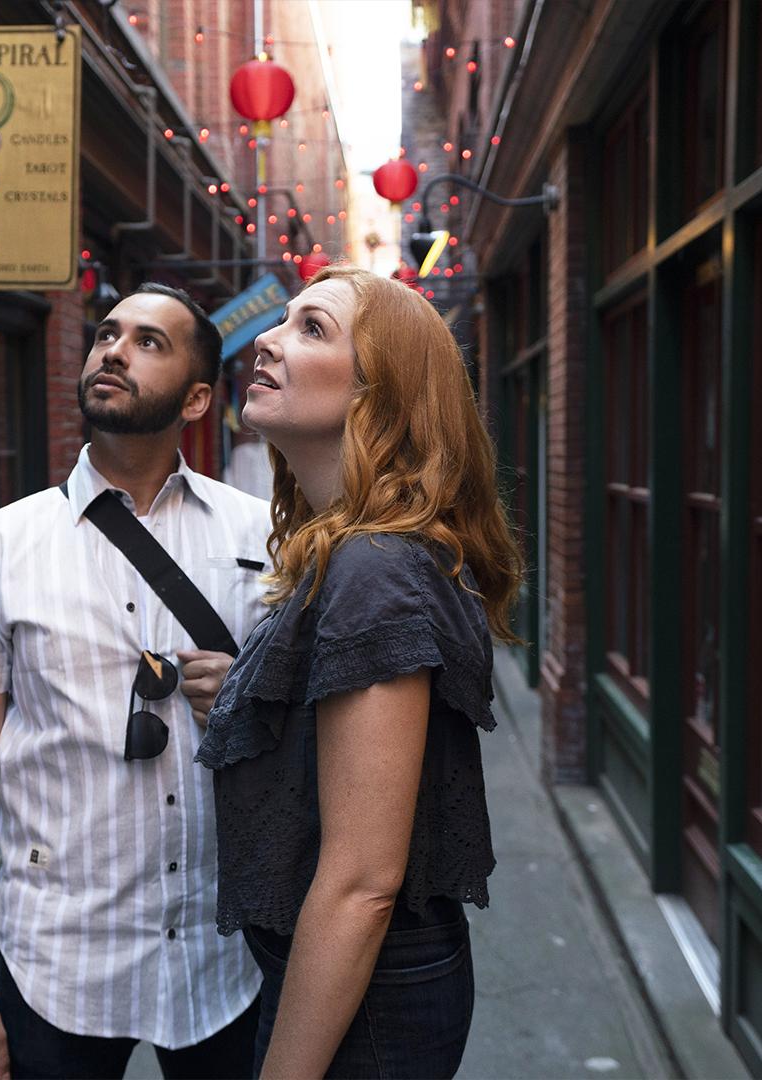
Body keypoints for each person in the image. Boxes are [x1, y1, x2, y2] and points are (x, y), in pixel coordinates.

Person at [0, 283, 271, 1080]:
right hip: (59, 959)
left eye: (150, 341)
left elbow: (329, 742)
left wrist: (255, 703)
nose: (113, 349)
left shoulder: (264, 535)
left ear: (195, 398)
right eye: (107, 334)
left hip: (226, 952)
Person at [195, 265, 525, 1079]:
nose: (267, 339)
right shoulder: (355, 551)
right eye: (284, 321)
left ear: (378, 397)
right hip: (363, 989)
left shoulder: (375, 566)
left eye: (312, 329)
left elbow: (362, 883)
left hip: (368, 1009)